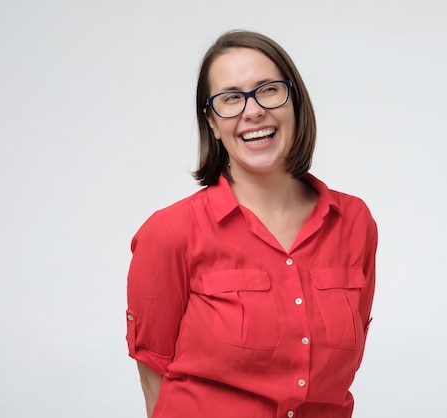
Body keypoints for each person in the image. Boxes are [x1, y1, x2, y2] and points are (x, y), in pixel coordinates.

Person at [125, 29, 378, 418]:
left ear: (294, 100)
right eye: (230, 99)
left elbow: (341, 370)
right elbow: (153, 376)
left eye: (268, 90)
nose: (253, 110)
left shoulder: (354, 223)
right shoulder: (171, 231)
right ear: (211, 121)